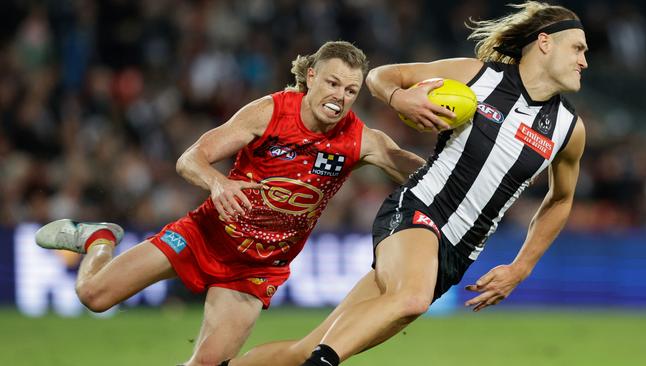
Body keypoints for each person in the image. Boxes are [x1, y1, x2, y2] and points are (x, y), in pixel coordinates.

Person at [225, 1, 588, 365]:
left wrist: (520, 267)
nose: (584, 61)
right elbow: (381, 76)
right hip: (419, 210)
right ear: (545, 43)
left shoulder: (568, 131)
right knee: (410, 300)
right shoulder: (478, 76)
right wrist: (402, 98)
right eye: (578, 48)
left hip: (455, 254)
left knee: (304, 348)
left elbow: (560, 200)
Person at [34, 41, 431, 366]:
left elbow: (425, 173)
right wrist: (218, 184)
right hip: (205, 235)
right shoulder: (270, 112)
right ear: (311, 77)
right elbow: (190, 158)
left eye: (350, 91)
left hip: (256, 269)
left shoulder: (359, 140)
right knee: (94, 296)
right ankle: (100, 239)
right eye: (332, 83)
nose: (339, 98)